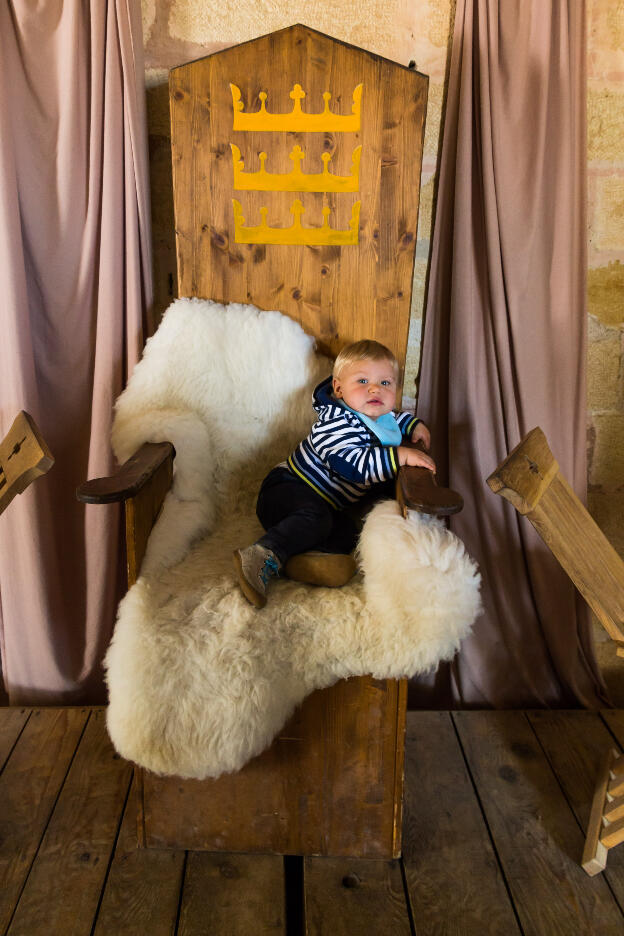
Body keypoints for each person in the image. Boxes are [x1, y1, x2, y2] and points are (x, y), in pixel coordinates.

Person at [233, 339, 435, 607]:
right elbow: (353, 466)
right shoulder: (334, 423)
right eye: (362, 381)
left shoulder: (375, 414)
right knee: (315, 518)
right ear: (339, 389)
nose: (375, 389)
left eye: (385, 383)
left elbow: (392, 419)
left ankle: (297, 561)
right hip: (287, 489)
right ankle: (262, 554)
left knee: (346, 534)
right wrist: (399, 456)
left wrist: (413, 425)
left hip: (326, 502)